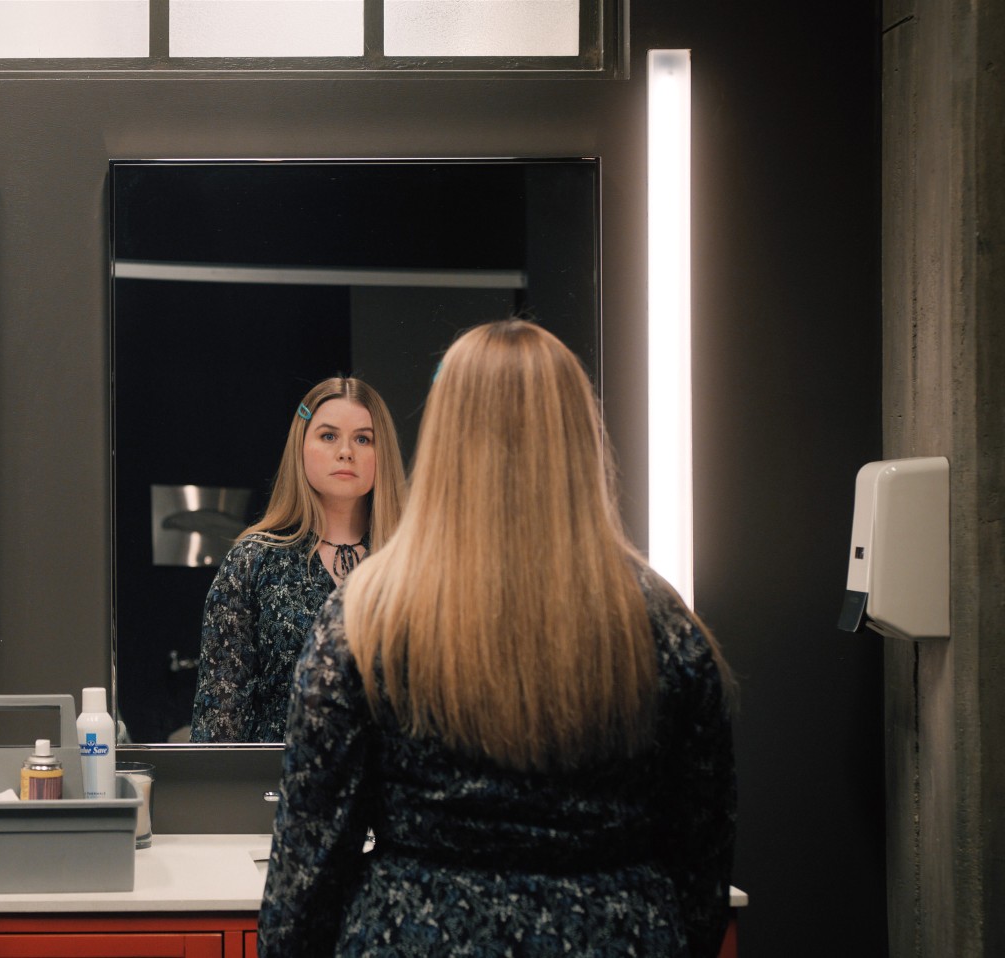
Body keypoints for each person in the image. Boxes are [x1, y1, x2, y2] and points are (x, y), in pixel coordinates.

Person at [261, 320, 737, 957]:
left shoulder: (364, 618)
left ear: (444, 434)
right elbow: (702, 864)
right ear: (578, 432)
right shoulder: (661, 624)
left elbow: (308, 868)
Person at [190, 377, 408, 743]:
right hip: (275, 787)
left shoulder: (411, 566)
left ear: (381, 451)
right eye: (328, 436)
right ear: (301, 446)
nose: (346, 452)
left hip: (391, 790)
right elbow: (219, 723)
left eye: (363, 438)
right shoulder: (253, 562)